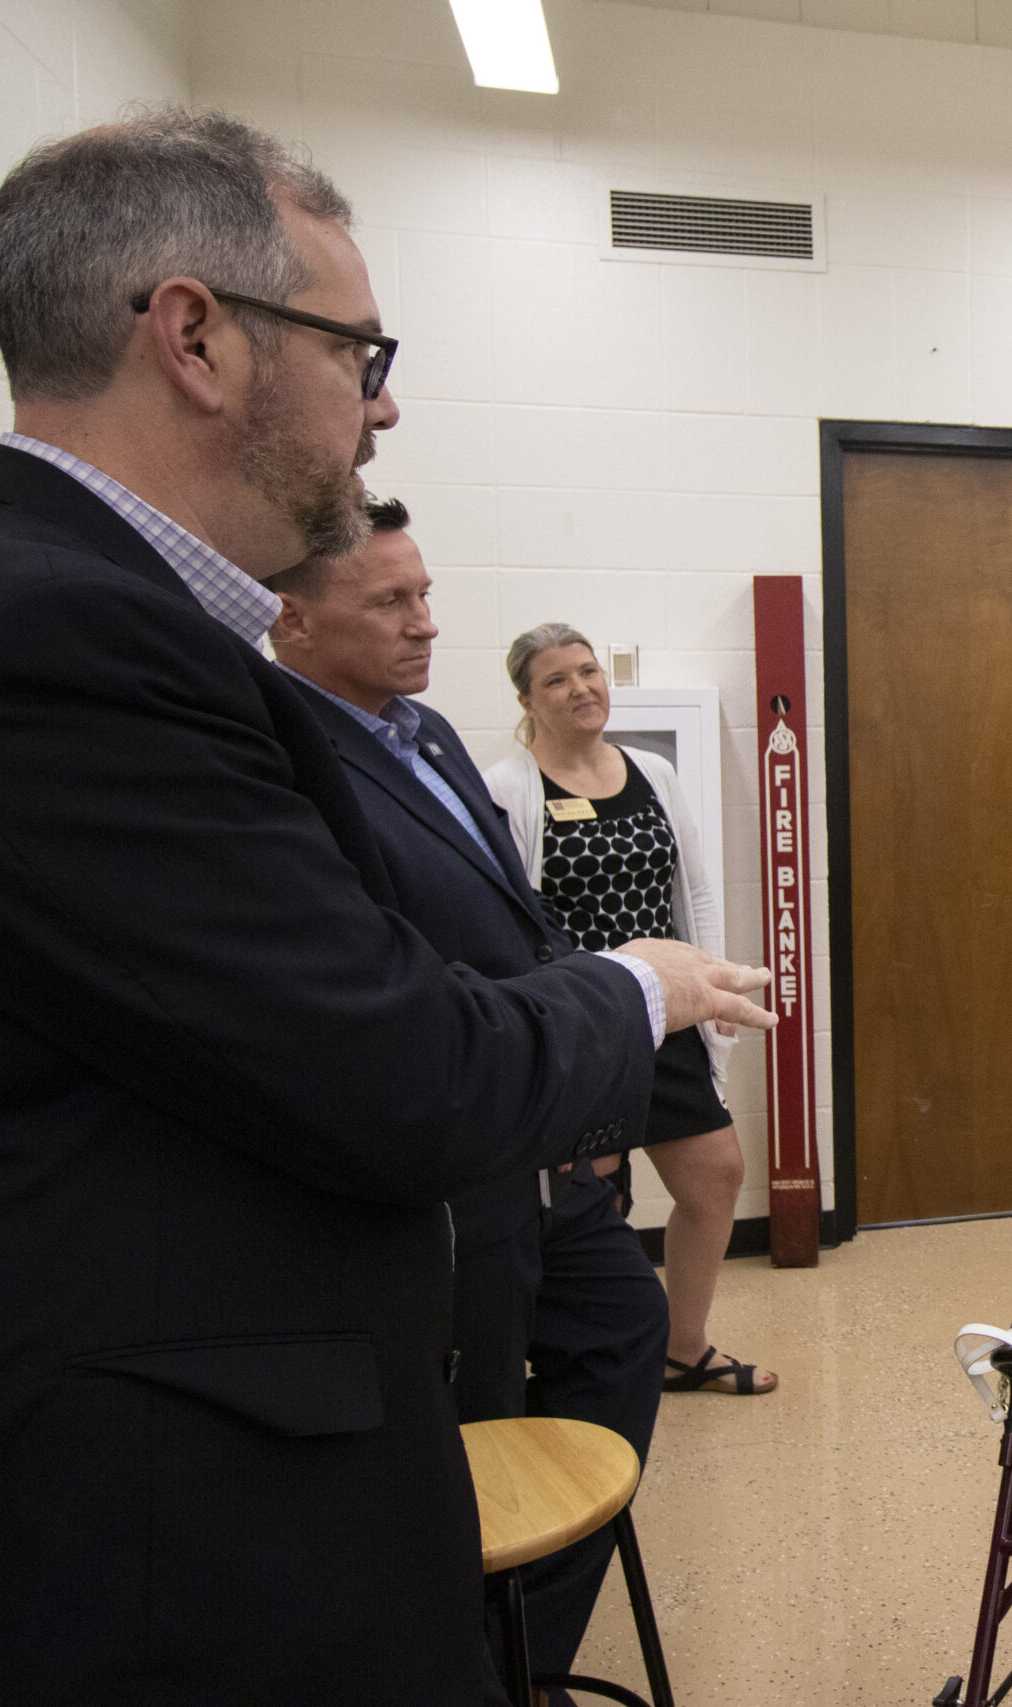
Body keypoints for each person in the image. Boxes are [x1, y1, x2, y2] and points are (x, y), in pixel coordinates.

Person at [0, 110, 770, 1703]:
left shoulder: (17, 595)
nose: (384, 406)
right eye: (357, 350)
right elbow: (400, 1070)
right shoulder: (68, 645)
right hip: (170, 1546)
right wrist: (635, 987)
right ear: (195, 338)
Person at [267, 500, 672, 1690]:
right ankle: (479, 1662)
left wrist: (585, 1112)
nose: (426, 624)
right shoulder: (288, 751)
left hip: (538, 1122)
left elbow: (522, 923)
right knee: (481, 1414)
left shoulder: (427, 735)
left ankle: (527, 1645)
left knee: (620, 1331)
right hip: (449, 1152)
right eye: (390, 604)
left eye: (425, 593)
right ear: (290, 615)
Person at [487, 627, 771, 1397]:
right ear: (526, 700)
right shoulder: (510, 787)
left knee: (716, 1176)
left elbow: (698, 889)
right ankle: (588, 1361)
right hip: (584, 1024)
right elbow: (506, 915)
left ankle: (684, 1348)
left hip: (669, 1013)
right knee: (593, 1205)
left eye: (587, 671)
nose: (581, 687)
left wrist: (714, 990)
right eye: (556, 680)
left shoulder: (652, 772)